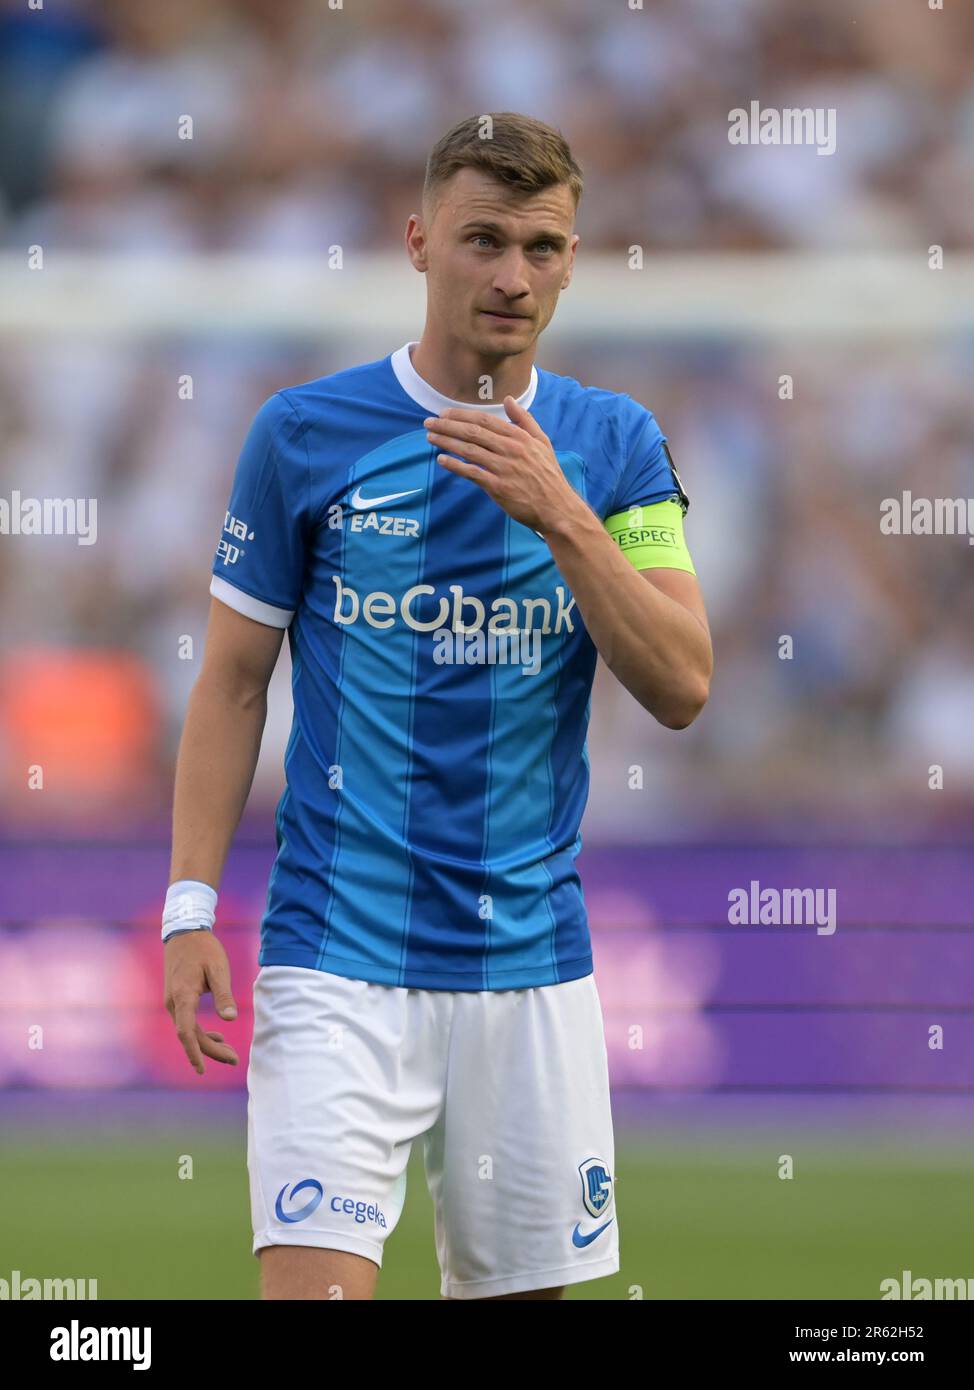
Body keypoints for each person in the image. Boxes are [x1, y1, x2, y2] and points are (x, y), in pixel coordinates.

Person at [163, 111, 712, 1301]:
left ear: (571, 259)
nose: (513, 276)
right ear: (417, 243)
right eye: (482, 240)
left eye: (542, 247)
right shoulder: (305, 433)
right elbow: (233, 681)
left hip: (530, 970)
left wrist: (561, 515)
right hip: (334, 957)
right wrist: (188, 904)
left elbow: (680, 683)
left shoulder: (615, 447)